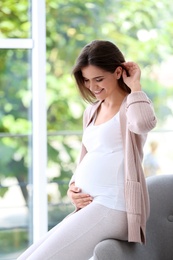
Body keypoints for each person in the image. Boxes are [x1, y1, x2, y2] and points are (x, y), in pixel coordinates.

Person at [17, 40, 157, 260]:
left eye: (99, 79)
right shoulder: (92, 110)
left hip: (114, 204)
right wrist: (74, 187)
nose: (93, 87)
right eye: (87, 80)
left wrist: (136, 87)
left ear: (119, 71)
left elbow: (144, 124)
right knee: (26, 257)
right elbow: (90, 155)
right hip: (94, 204)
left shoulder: (132, 105)